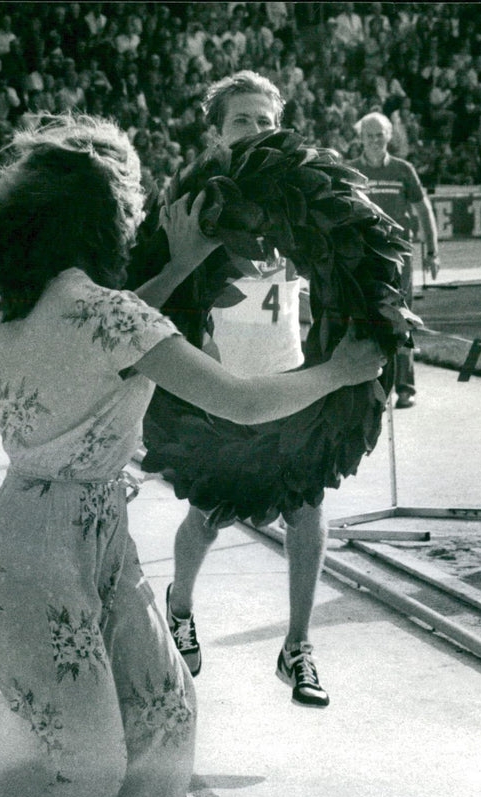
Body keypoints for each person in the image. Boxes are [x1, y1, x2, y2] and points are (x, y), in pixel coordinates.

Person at [0, 113, 383, 797]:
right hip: (41, 561)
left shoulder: (27, 312)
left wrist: (188, 262)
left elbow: (112, 342)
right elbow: (236, 398)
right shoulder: (106, 314)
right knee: (85, 761)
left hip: (66, 540)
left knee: (164, 717)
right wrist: (340, 374)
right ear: (101, 219)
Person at [161, 70, 342, 709]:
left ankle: (297, 646)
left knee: (307, 511)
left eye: (267, 120)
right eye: (243, 120)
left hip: (290, 377)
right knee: (209, 513)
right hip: (220, 384)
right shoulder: (198, 198)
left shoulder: (303, 199)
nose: (258, 131)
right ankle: (178, 606)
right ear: (217, 130)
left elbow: (321, 284)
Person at [349, 111, 440, 409]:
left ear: (389, 136)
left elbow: (423, 210)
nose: (375, 141)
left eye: (379, 135)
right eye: (369, 135)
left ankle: (405, 386)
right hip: (365, 256)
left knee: (402, 318)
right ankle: (370, 386)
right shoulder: (350, 172)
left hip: (399, 256)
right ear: (360, 138)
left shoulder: (403, 170)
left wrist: (432, 251)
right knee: (364, 318)